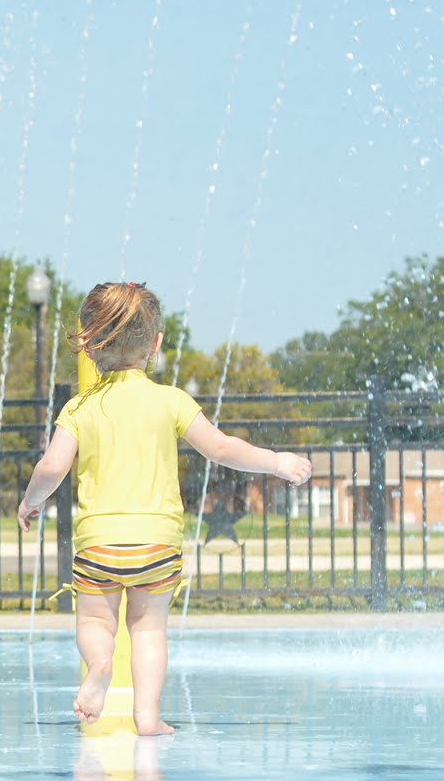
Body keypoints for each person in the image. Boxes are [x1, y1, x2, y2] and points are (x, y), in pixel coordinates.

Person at [16, 281, 312, 734]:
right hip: (157, 543)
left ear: (91, 346)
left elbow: (52, 466)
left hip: (99, 544)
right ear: (155, 345)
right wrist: (278, 462)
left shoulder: (79, 408)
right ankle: (148, 717)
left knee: (97, 619)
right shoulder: (171, 400)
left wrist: (30, 502)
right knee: (148, 630)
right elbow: (221, 448)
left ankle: (99, 666)